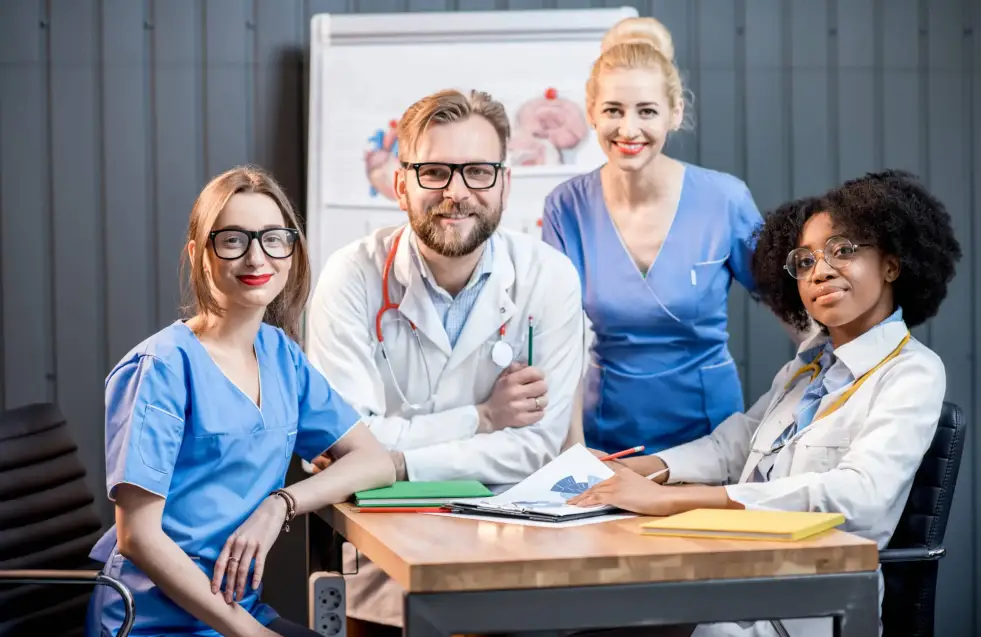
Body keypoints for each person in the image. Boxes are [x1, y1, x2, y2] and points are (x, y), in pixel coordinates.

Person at [569, 169, 962, 637]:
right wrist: (640, 469)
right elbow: (734, 445)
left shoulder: (912, 372)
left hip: (811, 604)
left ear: (892, 265)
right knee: (593, 624)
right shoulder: (808, 365)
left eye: (843, 250)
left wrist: (671, 502)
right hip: (739, 575)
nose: (821, 271)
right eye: (804, 261)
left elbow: (861, 498)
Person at [305, 88, 586, 630]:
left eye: (478, 171)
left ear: (505, 182)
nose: (456, 192)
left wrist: (392, 462)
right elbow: (344, 442)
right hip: (379, 572)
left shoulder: (549, 278)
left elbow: (535, 448)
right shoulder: (352, 278)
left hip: (513, 561)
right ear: (400, 183)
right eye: (434, 170)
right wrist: (481, 420)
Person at [85, 166, 395, 637]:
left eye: (274, 239)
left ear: (292, 252)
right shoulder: (161, 367)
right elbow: (139, 537)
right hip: (152, 622)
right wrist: (251, 634)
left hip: (238, 613)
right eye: (233, 240)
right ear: (199, 254)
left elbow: (375, 461)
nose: (256, 258)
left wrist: (281, 504)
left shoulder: (281, 355)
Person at [540, 16, 767, 458]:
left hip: (711, 440)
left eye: (646, 111)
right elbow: (556, 340)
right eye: (612, 111)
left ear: (675, 113)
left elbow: (796, 307)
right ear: (591, 113)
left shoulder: (725, 199)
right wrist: (573, 448)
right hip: (605, 439)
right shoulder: (565, 207)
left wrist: (811, 405)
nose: (628, 130)